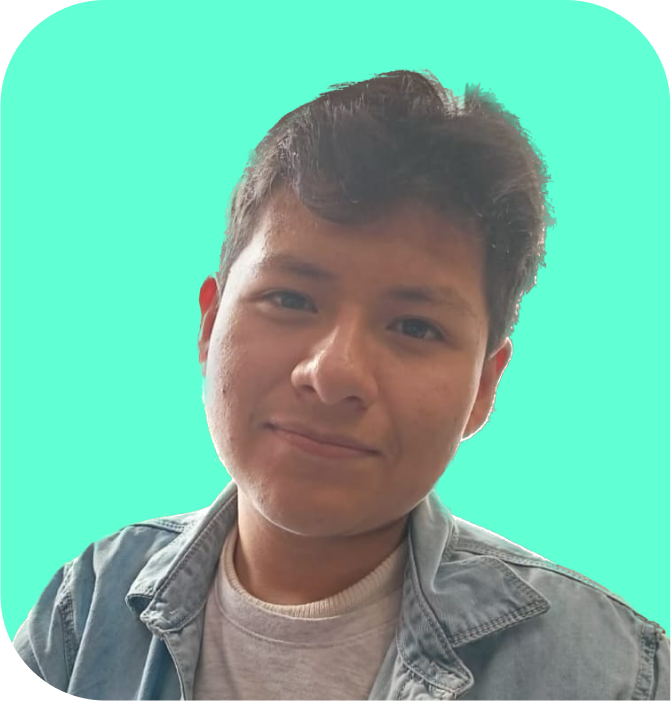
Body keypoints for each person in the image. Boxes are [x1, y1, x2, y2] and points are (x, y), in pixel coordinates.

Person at [12, 69, 670, 700]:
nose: (332, 374)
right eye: (291, 299)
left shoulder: (611, 673)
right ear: (210, 326)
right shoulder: (85, 611)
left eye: (414, 327)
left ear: (482, 388)